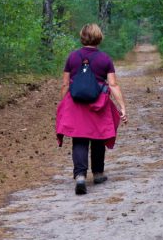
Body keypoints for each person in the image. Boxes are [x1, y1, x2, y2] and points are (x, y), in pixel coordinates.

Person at [55, 23, 128, 195]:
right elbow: (113, 84)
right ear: (99, 38)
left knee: (79, 139)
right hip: (98, 104)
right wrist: (122, 107)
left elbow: (65, 83)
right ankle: (98, 174)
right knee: (98, 137)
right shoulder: (105, 59)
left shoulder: (72, 57)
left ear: (82, 37)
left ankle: (80, 176)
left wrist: (62, 105)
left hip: (76, 104)